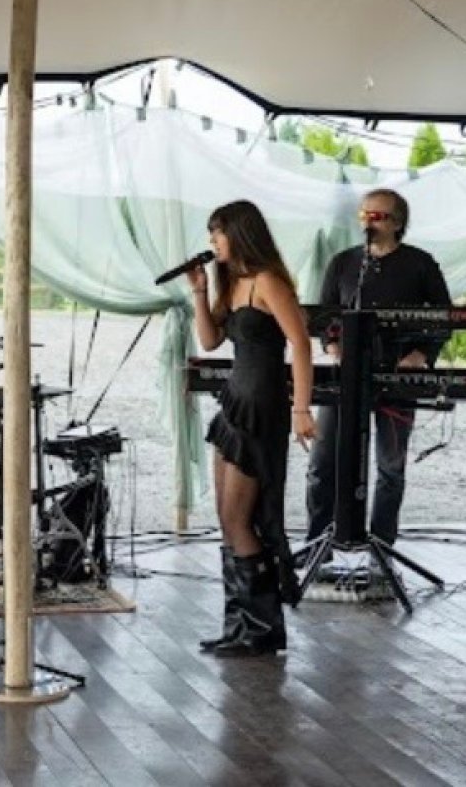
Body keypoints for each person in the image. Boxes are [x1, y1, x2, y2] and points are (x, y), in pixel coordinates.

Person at [186, 200, 315, 658]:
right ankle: (240, 623)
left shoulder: (267, 281)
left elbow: (301, 344)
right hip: (235, 403)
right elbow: (209, 340)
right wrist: (200, 291)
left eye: (217, 234)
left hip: (262, 405)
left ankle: (262, 629)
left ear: (239, 234)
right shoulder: (233, 283)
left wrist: (302, 408)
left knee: (241, 518)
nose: (212, 242)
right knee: (227, 518)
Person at [304, 188, 453, 550]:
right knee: (322, 463)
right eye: (363, 215)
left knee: (390, 466)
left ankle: (382, 547)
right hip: (346, 378)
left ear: (398, 223)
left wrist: (421, 353)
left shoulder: (420, 264)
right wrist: (333, 345)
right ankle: (318, 543)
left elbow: (445, 318)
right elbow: (323, 317)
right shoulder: (344, 263)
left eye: (377, 216)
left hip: (397, 378)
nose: (367, 222)